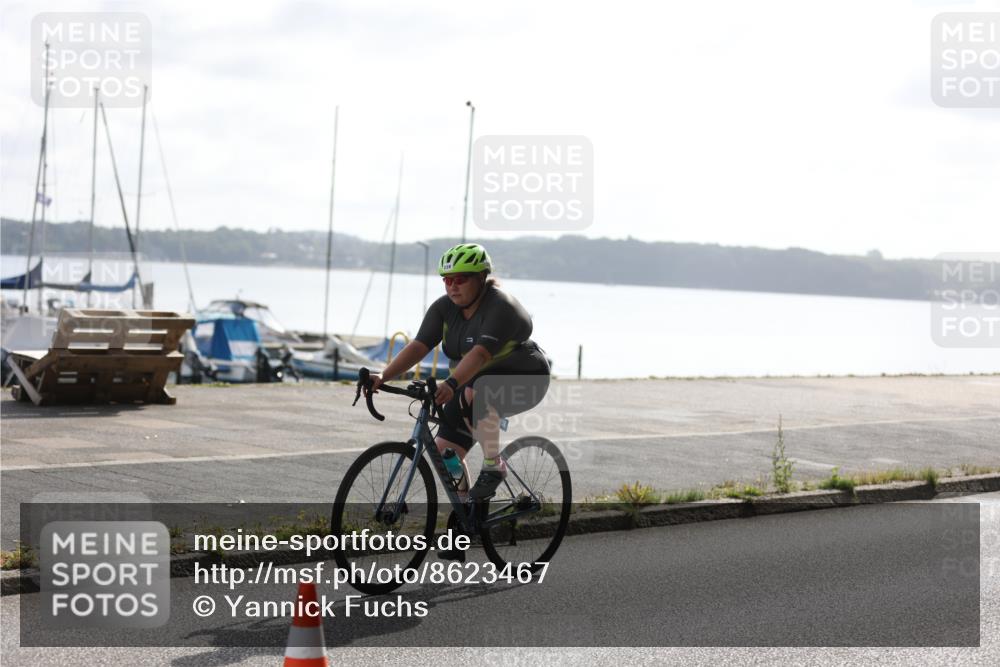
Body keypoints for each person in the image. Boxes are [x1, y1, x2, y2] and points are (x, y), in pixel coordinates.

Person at [367, 242, 551, 501]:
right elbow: (419, 346)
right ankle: (468, 511)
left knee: (478, 391)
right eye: (447, 279)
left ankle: (493, 465)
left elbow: (480, 354)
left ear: (480, 278)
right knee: (445, 454)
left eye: (461, 279)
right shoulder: (444, 309)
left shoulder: (501, 306)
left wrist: (451, 384)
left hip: (527, 378)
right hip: (473, 381)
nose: (452, 286)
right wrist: (383, 376)